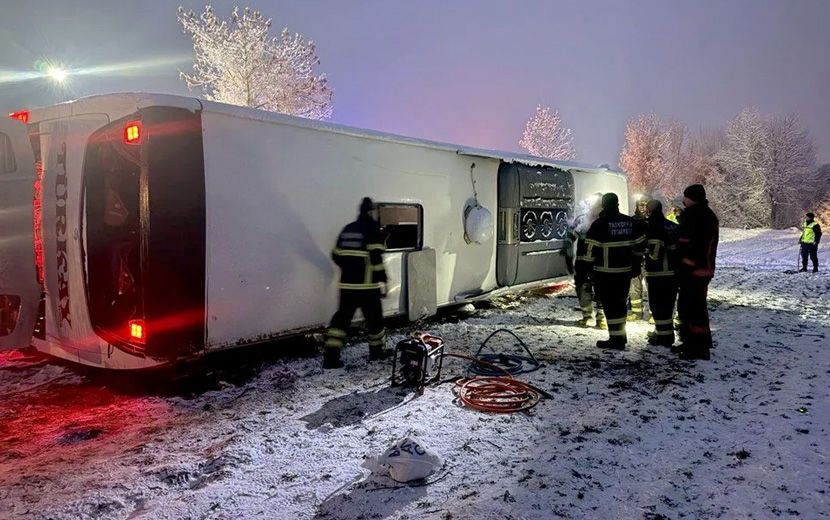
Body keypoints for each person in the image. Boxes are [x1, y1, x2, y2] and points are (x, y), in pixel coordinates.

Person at [322, 197, 389, 369]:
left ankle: (330, 358)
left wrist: (348, 268)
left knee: (341, 321)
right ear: (371, 211)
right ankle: (377, 353)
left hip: (347, 287)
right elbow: (376, 257)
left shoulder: (348, 228)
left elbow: (336, 254)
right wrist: (383, 279)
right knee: (375, 321)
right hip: (367, 287)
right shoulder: (372, 228)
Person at [585, 193, 646, 350]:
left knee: (610, 305)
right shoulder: (630, 222)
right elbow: (640, 246)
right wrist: (636, 264)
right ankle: (620, 337)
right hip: (625, 272)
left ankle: (615, 339)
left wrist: (587, 269)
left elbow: (590, 249)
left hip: (605, 273)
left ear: (604, 205)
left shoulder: (600, 224)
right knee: (620, 304)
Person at [674, 184, 719, 360]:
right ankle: (691, 342)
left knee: (694, 309)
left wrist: (686, 261)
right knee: (688, 307)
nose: (683, 200)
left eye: (685, 197)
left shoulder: (698, 216)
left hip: (695, 270)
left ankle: (698, 348)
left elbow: (694, 243)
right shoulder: (703, 214)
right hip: (696, 269)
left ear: (692, 197)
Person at [643, 200, 679, 347]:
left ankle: (664, 338)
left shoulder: (653, 225)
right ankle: (665, 333)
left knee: (658, 306)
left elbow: (655, 251)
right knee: (668, 305)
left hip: (657, 272)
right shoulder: (672, 226)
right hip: (673, 272)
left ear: (650, 210)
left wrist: (645, 252)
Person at [569, 194, 606, 329]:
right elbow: (571, 236)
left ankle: (600, 318)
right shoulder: (582, 220)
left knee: (600, 290)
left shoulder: (605, 221)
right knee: (583, 288)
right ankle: (587, 316)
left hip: (597, 262)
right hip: (586, 262)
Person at [627, 195, 650, 321]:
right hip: (635, 258)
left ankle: (653, 313)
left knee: (651, 286)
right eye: (640, 204)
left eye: (645, 204)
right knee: (634, 285)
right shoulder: (632, 221)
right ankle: (636, 312)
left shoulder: (654, 221)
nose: (642, 207)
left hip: (651, 258)